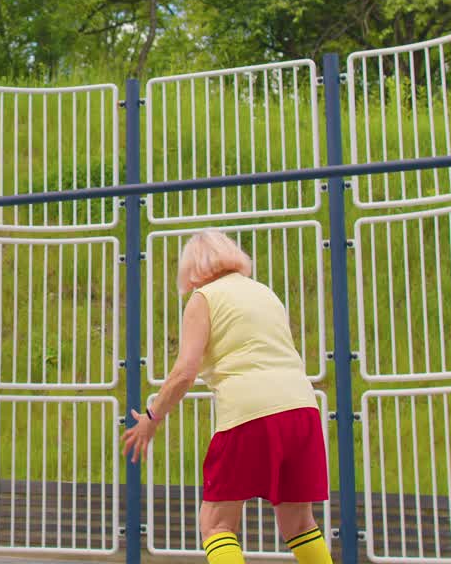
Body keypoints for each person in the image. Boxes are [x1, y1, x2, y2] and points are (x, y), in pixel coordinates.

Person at [121, 230, 332, 564]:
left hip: (250, 411)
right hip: (302, 410)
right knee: (299, 523)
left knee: (216, 523)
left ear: (191, 269)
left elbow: (183, 374)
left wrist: (152, 417)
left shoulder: (204, 298)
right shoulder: (264, 293)